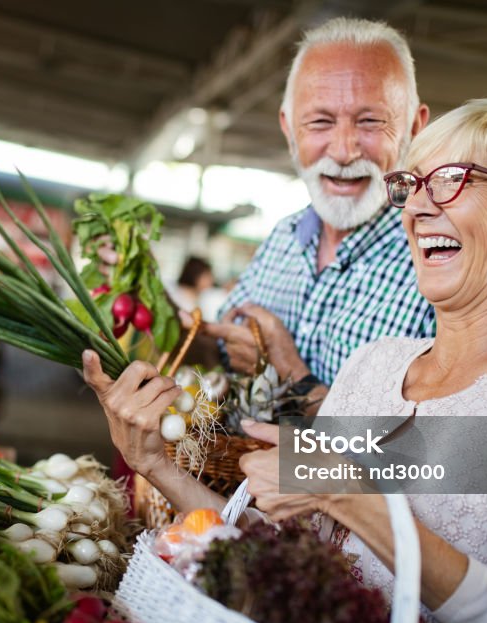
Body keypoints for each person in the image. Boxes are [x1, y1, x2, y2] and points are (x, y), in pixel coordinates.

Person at [83, 98, 487, 623]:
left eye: (450, 181)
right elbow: (282, 559)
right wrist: (156, 466)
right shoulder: (373, 365)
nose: (418, 205)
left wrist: (352, 496)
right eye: (411, 184)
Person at [96, 18, 435, 401]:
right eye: (320, 122)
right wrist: (153, 298)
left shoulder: (438, 262)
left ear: (415, 127)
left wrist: (290, 372)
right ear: (289, 128)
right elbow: (220, 356)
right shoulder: (283, 238)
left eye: (370, 121)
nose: (343, 151)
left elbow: (429, 452)